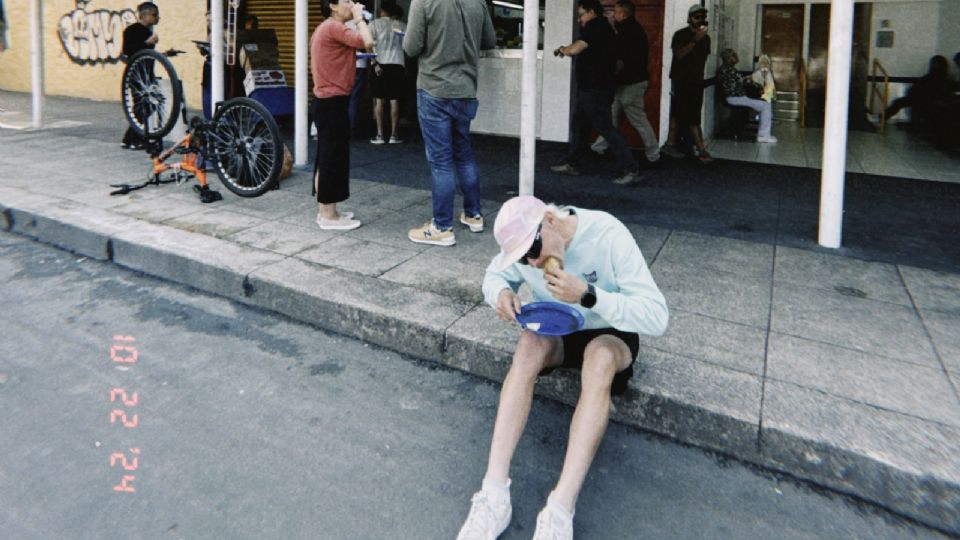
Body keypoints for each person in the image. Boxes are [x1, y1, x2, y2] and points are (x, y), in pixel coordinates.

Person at [456, 195, 668, 540]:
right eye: (524, 256)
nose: (534, 261)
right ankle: (494, 494)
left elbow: (657, 316)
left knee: (598, 361)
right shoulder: (528, 250)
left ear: (550, 221)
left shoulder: (607, 233)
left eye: (534, 249)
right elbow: (493, 276)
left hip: (610, 332)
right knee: (528, 345)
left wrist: (589, 295)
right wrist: (500, 295)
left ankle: (560, 508)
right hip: (561, 330)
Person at [403, 0, 496, 246]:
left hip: (434, 88)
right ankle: (473, 214)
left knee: (441, 162)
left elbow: (411, 47)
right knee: (464, 154)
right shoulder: (478, 3)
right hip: (465, 89)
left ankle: (442, 227)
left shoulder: (423, 2)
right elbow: (489, 41)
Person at [550, 0, 642, 186]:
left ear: (591, 12)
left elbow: (576, 48)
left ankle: (631, 169)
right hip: (594, 88)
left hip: (594, 89)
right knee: (579, 126)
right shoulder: (607, 29)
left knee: (605, 128)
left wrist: (561, 49)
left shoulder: (595, 26)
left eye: (581, 14)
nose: (579, 19)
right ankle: (572, 163)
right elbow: (618, 63)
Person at [310, 0, 374, 231]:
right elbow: (367, 42)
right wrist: (359, 17)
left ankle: (328, 211)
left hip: (328, 102)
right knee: (331, 158)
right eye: (347, 1)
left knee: (328, 156)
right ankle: (328, 216)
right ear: (333, 6)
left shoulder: (329, 27)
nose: (352, 4)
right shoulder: (334, 27)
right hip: (332, 102)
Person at [590, 1, 661, 170]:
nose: (613, 14)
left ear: (623, 14)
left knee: (637, 120)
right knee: (612, 117)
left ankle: (654, 155)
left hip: (630, 84)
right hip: (629, 82)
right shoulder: (632, 29)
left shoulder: (626, 32)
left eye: (615, 12)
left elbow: (620, 60)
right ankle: (598, 147)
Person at [661, 4, 712, 163]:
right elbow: (679, 55)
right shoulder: (680, 34)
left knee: (693, 116)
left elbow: (701, 61)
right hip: (681, 80)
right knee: (677, 113)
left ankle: (698, 148)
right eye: (697, 17)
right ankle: (681, 146)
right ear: (690, 18)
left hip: (696, 81)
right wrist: (694, 41)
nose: (700, 20)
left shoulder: (706, 39)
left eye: (702, 17)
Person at [121, 2, 160, 150]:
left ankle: (133, 138)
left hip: (147, 74)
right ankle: (131, 138)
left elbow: (147, 54)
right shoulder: (131, 31)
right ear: (144, 15)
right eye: (154, 15)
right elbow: (129, 50)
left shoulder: (149, 31)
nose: (157, 18)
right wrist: (147, 42)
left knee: (148, 106)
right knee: (142, 106)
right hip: (136, 74)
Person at [718, 49, 777, 143]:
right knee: (766, 106)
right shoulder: (729, 69)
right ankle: (763, 136)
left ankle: (763, 134)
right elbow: (742, 81)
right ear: (729, 58)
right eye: (734, 56)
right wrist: (755, 77)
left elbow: (740, 81)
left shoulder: (726, 68)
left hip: (736, 97)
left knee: (764, 104)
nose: (737, 58)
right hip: (735, 98)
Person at [368, 2, 406, 144]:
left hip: (380, 64)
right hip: (397, 63)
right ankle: (394, 135)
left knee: (379, 100)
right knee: (394, 99)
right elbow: (408, 45)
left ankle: (379, 134)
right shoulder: (402, 25)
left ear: (382, 10)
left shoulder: (374, 24)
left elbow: (368, 44)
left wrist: (374, 63)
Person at [884, 55, 953, 125]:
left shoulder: (929, 77)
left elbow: (914, 90)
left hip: (924, 101)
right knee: (903, 102)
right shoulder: (945, 79)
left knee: (899, 102)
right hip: (931, 101)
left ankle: (882, 117)